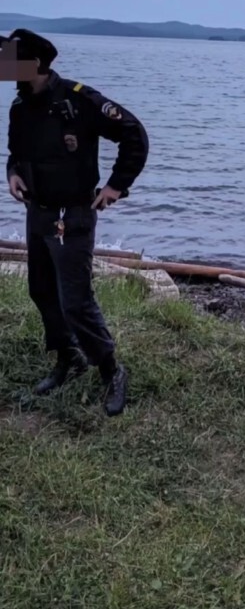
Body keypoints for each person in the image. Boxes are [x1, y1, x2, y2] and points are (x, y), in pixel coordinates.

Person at [1, 28, 149, 416]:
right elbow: (15, 151)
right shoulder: (20, 106)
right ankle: (70, 358)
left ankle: (112, 369)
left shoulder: (78, 100)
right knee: (41, 290)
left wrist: (116, 185)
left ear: (33, 63)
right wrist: (13, 173)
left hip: (73, 214)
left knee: (76, 302)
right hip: (38, 211)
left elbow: (134, 134)